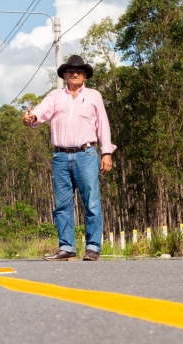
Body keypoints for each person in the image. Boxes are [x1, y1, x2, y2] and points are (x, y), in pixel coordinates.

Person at [22, 55, 116, 261]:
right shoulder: (55, 96)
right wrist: (32, 117)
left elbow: (103, 124)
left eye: (80, 72)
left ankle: (92, 247)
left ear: (85, 76)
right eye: (71, 71)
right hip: (61, 156)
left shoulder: (93, 96)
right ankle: (67, 247)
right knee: (62, 204)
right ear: (65, 75)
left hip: (86, 154)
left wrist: (106, 152)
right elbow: (41, 112)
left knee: (91, 202)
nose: (75, 74)